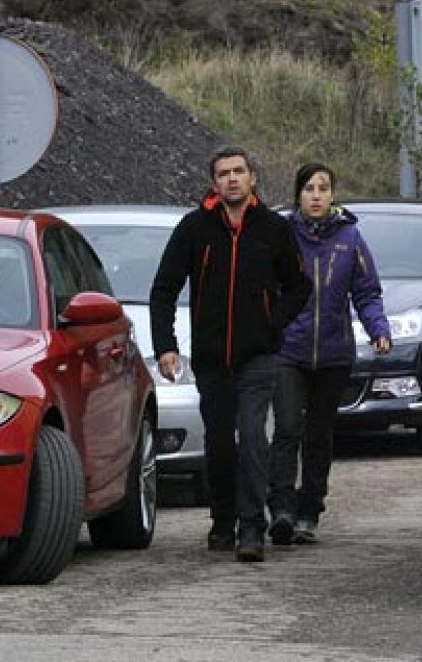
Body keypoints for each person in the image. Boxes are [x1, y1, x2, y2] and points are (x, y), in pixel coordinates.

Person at [151, 146, 311, 563]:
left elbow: (299, 286)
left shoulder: (273, 229)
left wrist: (273, 322)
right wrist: (166, 346)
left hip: (258, 355)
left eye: (239, 171)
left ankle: (251, 527)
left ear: (252, 178)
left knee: (254, 437)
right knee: (220, 442)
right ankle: (223, 521)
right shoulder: (194, 228)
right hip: (210, 358)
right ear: (214, 183)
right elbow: (163, 289)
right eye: (223, 174)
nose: (232, 179)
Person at [269, 163, 391, 547]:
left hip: (334, 354)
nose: (316, 195)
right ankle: (282, 509)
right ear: (298, 195)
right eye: (309, 188)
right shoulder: (282, 235)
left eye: (323, 188)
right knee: (288, 428)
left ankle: (309, 510)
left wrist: (379, 330)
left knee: (319, 434)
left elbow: (367, 292)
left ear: (333, 194)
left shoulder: (350, 238)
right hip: (289, 350)